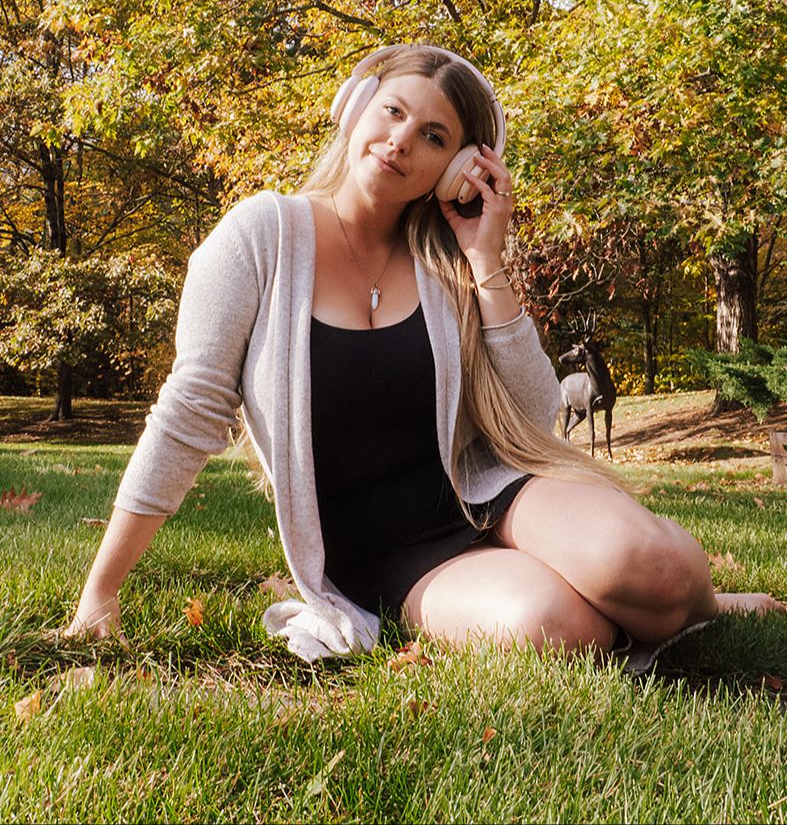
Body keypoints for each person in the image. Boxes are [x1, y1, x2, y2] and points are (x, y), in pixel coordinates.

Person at [65, 44, 783, 662]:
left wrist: (485, 260)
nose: (402, 139)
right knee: (555, 628)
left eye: (435, 135)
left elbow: (537, 415)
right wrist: (101, 591)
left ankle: (705, 603)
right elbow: (189, 410)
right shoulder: (260, 236)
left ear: (459, 167)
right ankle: (580, 591)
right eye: (394, 111)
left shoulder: (447, 262)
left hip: (489, 493)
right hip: (383, 550)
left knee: (652, 566)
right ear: (355, 107)